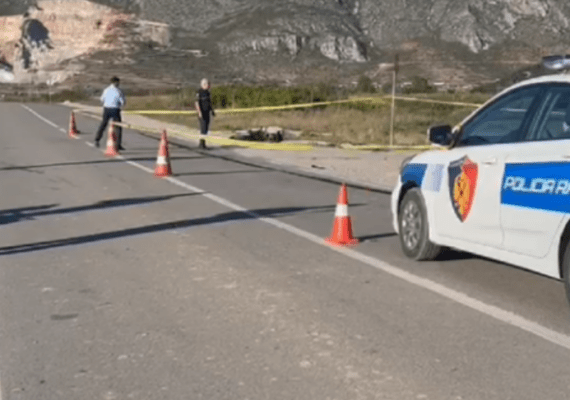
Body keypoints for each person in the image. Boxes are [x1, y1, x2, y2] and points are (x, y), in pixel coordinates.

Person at [95, 76, 126, 149]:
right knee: (118, 127)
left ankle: (97, 139)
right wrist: (120, 105)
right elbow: (123, 101)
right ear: (117, 82)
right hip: (115, 109)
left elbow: (102, 99)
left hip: (106, 109)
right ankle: (118, 144)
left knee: (103, 124)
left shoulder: (106, 90)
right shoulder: (118, 91)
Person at [195, 78, 215, 149]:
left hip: (207, 112)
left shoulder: (208, 92)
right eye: (207, 84)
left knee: (206, 128)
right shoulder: (199, 92)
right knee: (203, 128)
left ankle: (204, 143)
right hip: (202, 113)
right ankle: (201, 143)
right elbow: (197, 103)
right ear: (203, 84)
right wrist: (199, 112)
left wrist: (212, 111)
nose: (208, 85)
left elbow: (209, 102)